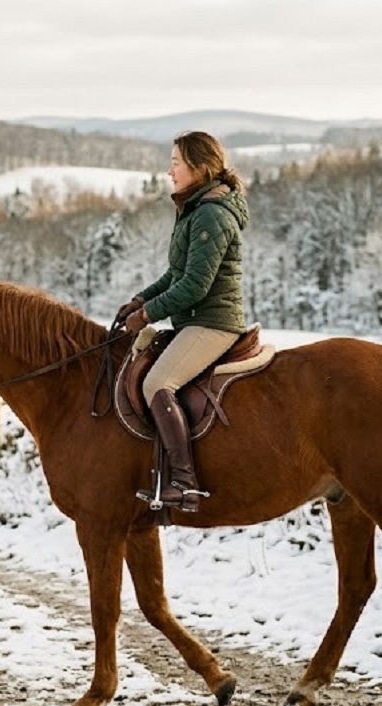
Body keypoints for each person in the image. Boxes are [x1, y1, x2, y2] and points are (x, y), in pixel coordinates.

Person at [115, 131, 249, 513]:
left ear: (200, 168)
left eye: (176, 163)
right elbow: (176, 274)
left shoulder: (211, 214)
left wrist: (147, 315)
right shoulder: (195, 208)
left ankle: (185, 484)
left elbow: (194, 285)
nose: (169, 171)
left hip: (212, 322)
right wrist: (140, 299)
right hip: (194, 319)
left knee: (159, 382)